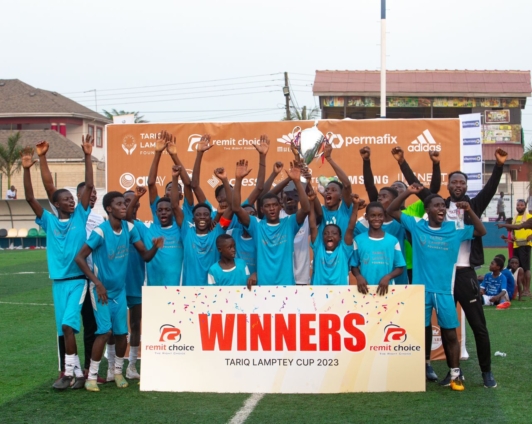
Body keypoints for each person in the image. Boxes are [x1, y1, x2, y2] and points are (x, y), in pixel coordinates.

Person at [396, 146, 507, 389]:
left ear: (466, 187)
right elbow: (418, 187)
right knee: (447, 326)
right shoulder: (439, 204)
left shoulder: (473, 205)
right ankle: (453, 372)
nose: (458, 185)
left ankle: (486, 372)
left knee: (478, 325)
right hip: (441, 274)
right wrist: (402, 162)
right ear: (448, 185)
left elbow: (490, 189)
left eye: (462, 182)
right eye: (454, 182)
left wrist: (499, 166)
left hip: (464, 273)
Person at [388, 184, 487, 391]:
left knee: (450, 334)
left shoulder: (454, 229)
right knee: (419, 332)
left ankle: (455, 375)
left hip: (444, 291)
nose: (441, 208)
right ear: (427, 210)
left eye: (443, 205)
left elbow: (481, 230)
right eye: (437, 205)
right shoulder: (417, 225)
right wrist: (408, 192)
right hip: (421, 291)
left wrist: (469, 210)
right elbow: (392, 210)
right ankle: (421, 369)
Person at [22, 136, 94, 390]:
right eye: (67, 199)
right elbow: (31, 197)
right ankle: (76, 374)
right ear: (56, 204)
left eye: (73, 198)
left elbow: (89, 185)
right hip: (58, 282)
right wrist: (28, 168)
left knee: (68, 325)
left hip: (77, 281)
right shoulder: (49, 220)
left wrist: (87, 155)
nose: (72, 201)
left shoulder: (80, 216)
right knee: (64, 331)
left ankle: (70, 373)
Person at [75, 191, 163, 392]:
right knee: (105, 332)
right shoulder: (100, 231)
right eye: (119, 204)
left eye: (125, 204)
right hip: (101, 291)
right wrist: (97, 283)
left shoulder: (129, 228)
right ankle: (92, 377)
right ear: (109, 208)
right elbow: (80, 258)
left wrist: (156, 247)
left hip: (119, 291)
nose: (124, 207)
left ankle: (117, 372)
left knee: (122, 333)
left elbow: (145, 256)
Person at [55, 180, 105, 384]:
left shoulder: (99, 219)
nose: (92, 197)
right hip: (72, 278)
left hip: (91, 278)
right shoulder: (71, 216)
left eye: (94, 195)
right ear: (79, 196)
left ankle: (87, 370)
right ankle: (65, 370)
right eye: (87, 194)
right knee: (65, 326)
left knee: (91, 324)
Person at [232, 159, 310, 286]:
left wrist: (297, 181)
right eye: (267, 206)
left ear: (280, 207)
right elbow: (236, 208)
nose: (272, 208)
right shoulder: (257, 225)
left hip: (287, 286)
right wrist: (238, 180)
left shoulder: (289, 223)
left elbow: (306, 209)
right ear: (262, 210)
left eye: (274, 205)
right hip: (263, 286)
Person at [172, 165, 233, 286]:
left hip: (214, 290)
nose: (202, 217)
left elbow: (232, 207)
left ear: (211, 218)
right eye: (198, 215)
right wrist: (174, 178)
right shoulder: (186, 231)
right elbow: (174, 205)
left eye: (206, 214)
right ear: (193, 219)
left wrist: (225, 180)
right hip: (190, 290)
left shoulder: (218, 231)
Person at [126, 185, 183, 287]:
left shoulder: (181, 229)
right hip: (153, 288)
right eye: (160, 210)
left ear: (173, 212)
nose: (163, 212)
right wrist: (136, 197)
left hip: (177, 288)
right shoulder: (148, 229)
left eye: (167, 209)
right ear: (156, 213)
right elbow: (127, 218)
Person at [354, 187, 408, 285]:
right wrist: (358, 276)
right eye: (379, 196)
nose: (376, 218)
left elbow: (400, 266)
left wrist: (388, 277)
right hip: (366, 287)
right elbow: (354, 264)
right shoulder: (359, 235)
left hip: (395, 286)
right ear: (366, 217)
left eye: (384, 196)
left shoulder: (396, 233)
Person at [308, 189, 358, 286]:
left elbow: (350, 227)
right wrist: (311, 202)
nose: (330, 235)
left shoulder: (344, 249)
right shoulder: (318, 247)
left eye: (334, 233)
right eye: (326, 233)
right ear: (322, 237)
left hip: (340, 293)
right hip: (319, 292)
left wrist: (355, 206)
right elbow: (313, 226)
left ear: (340, 238)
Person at [122, 189, 146, 380]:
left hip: (136, 282)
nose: (129, 204)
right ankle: (113, 366)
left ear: (138, 204)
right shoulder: (116, 226)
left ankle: (131, 366)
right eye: (125, 201)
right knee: (115, 327)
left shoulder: (141, 227)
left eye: (132, 201)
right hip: (117, 285)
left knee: (136, 324)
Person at [500, 200, 532, 297]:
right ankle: (519, 289)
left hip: (525, 245)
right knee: (517, 268)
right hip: (516, 245)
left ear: (525, 206)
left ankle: (527, 290)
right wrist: (512, 236)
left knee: (526, 268)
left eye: (521, 205)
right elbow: (514, 229)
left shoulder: (529, 216)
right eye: (518, 205)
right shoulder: (515, 218)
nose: (519, 206)